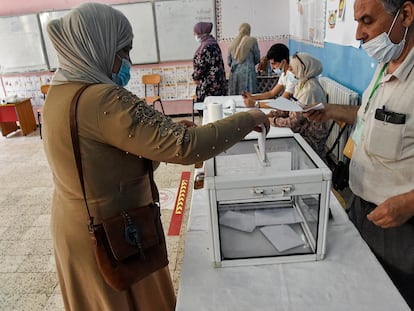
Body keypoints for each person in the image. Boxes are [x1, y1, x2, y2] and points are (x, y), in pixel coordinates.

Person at [42, 3, 269, 311]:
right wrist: (248, 118)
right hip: (114, 234)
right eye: (123, 50)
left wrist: (166, 132)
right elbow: (188, 146)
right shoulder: (102, 98)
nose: (128, 61)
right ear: (99, 44)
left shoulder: (59, 91)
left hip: (77, 229)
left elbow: (106, 151)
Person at [306, 0, 414, 308]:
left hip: (399, 227)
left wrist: (409, 202)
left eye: (367, 21)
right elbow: (371, 116)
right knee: (357, 293)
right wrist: (331, 110)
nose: (359, 34)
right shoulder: (385, 65)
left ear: (405, 15)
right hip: (360, 207)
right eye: (356, 21)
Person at [192, 22, 227, 102]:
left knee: (210, 110)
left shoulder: (206, 47)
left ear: (201, 32)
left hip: (209, 86)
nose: (194, 35)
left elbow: (201, 66)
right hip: (219, 82)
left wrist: (195, 77)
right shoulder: (213, 43)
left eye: (196, 32)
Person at [227, 23, 260, 95]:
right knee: (249, 95)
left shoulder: (233, 42)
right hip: (248, 72)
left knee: (235, 95)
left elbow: (229, 61)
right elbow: (257, 58)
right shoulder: (252, 41)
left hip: (235, 73)